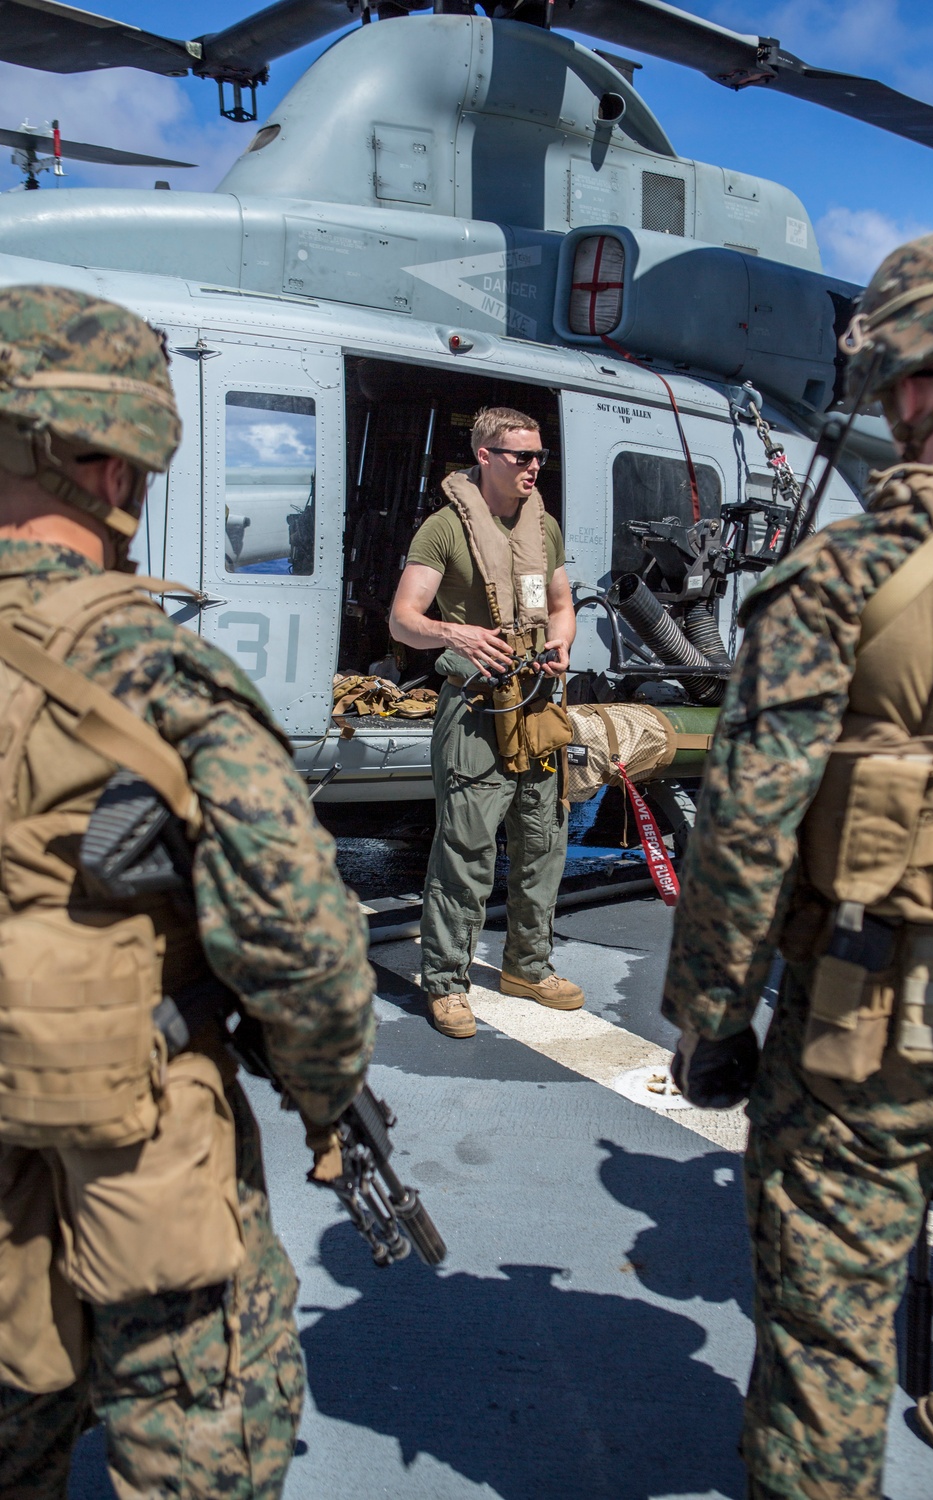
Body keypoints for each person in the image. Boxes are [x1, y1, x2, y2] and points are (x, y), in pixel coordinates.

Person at [0, 285, 375, 1499]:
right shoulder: (153, 669)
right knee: (202, 1433)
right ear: (112, 464)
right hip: (134, 1151)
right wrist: (324, 1104)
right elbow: (302, 947)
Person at [662, 225, 933, 1498]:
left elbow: (747, 828)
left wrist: (708, 1019)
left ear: (918, 374)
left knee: (825, 1337)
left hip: (870, 1020)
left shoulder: (844, 574)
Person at [388, 406, 583, 1038]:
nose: (532, 467)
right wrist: (459, 634)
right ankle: (445, 981)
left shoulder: (543, 527)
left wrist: (561, 643)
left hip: (535, 702)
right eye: (520, 456)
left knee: (542, 840)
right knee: (466, 848)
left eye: (538, 457)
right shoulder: (443, 530)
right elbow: (403, 619)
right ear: (485, 456)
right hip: (474, 707)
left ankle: (528, 966)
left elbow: (560, 604)